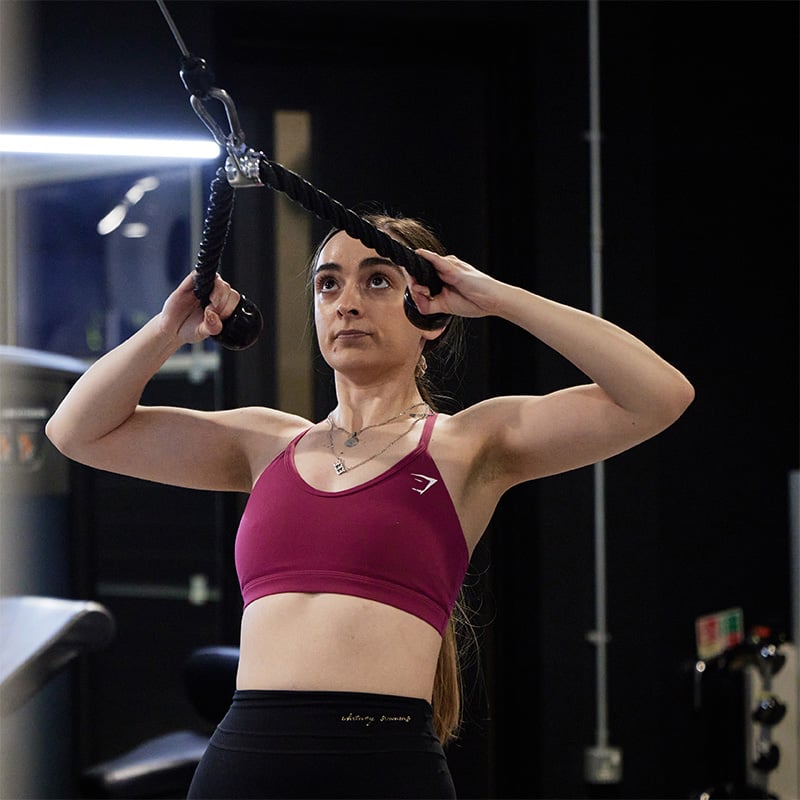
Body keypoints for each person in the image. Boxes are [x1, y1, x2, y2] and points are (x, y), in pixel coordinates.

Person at [46, 213, 694, 799]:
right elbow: (76, 432)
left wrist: (497, 298)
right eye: (328, 285)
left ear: (431, 313)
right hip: (243, 764)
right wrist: (167, 330)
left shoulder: (470, 446)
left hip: (384, 767)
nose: (347, 302)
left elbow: (659, 395)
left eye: (377, 280)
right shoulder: (264, 442)